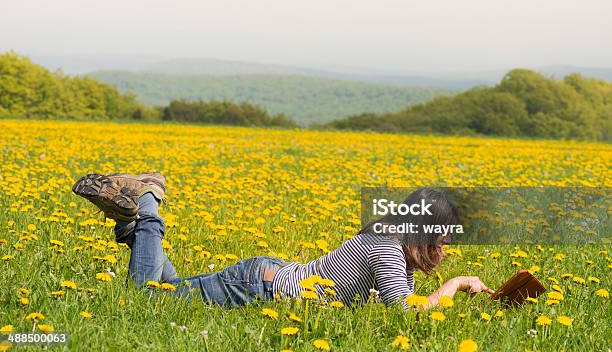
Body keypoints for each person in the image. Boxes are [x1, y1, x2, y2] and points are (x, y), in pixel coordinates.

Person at [72, 172, 493, 308]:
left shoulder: (390, 243)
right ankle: (146, 206)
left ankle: (133, 227)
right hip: (261, 286)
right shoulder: (386, 247)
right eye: (444, 232)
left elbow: (400, 300)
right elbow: (402, 310)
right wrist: (454, 285)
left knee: (166, 291)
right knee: (148, 297)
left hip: (270, 276)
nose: (448, 242)